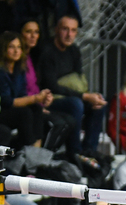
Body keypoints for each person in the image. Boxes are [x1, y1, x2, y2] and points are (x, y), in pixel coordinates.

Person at [39, 14, 107, 157]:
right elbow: (51, 85)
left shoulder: (74, 50)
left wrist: (90, 96)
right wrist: (84, 96)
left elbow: (79, 79)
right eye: (65, 29)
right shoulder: (47, 51)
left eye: (73, 30)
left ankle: (89, 150)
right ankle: (74, 151)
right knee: (76, 104)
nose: (69, 34)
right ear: (57, 29)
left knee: (100, 103)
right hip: (50, 99)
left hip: (72, 94)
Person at [0, 31, 57, 149]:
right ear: (2, 48)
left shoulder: (19, 69)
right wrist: (35, 98)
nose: (16, 51)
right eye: (11, 47)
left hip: (13, 107)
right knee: (24, 113)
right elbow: (6, 101)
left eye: (19, 47)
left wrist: (41, 98)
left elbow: (22, 94)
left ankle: (36, 149)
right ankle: (28, 147)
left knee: (36, 108)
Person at [19, 18, 75, 152]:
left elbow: (35, 86)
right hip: (26, 105)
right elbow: (19, 89)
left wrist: (44, 99)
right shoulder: (17, 57)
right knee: (59, 123)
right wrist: (36, 102)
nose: (33, 36)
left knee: (70, 121)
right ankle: (38, 159)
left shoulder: (33, 56)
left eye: (36, 32)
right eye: (29, 32)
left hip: (37, 103)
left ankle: (48, 156)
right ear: (20, 34)